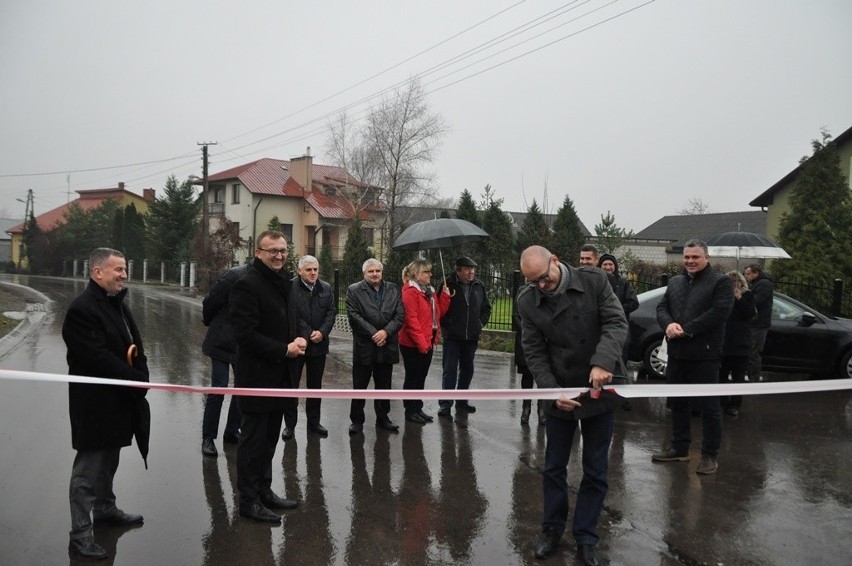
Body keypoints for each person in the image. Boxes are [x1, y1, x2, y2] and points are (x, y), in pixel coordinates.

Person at [517, 246, 628, 565]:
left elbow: (616, 323)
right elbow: (534, 352)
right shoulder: (527, 301)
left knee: (595, 467)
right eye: (532, 281)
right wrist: (552, 392)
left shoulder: (594, 281)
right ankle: (551, 529)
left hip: (599, 386)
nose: (541, 286)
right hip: (560, 389)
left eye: (544, 278)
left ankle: (586, 536)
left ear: (555, 261)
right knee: (553, 466)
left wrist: (603, 361)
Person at [63, 248, 150, 561]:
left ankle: (105, 510)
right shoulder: (82, 310)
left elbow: (133, 345)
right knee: (87, 472)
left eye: (124, 269)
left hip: (117, 402)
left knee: (109, 460)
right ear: (97, 272)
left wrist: (142, 373)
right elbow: (96, 358)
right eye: (117, 270)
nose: (123, 275)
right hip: (94, 405)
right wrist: (133, 379)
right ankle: (79, 536)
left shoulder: (117, 303)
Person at [230, 230, 307, 524]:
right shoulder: (246, 285)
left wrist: (298, 338)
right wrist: (284, 350)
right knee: (253, 442)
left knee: (271, 439)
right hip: (257, 378)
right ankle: (248, 501)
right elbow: (245, 335)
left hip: (281, 377)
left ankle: (264, 490)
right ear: (258, 252)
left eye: (283, 251)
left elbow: (288, 320)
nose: (279, 256)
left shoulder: (284, 282)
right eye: (272, 251)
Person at [652, 239, 734, 475]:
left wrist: (685, 330)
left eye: (695, 257)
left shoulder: (720, 282)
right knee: (678, 403)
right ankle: (680, 449)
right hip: (677, 354)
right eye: (687, 257)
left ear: (706, 258)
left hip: (705, 355)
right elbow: (661, 307)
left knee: (709, 408)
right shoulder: (676, 282)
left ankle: (709, 456)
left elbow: (719, 313)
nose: (690, 261)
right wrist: (668, 325)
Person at [346, 258, 405, 435]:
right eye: (371, 271)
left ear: (382, 272)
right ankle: (356, 420)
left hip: (387, 345)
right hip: (365, 345)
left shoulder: (394, 288)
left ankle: (383, 418)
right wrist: (374, 333)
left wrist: (385, 332)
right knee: (360, 385)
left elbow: (400, 315)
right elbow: (354, 316)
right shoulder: (354, 290)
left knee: (384, 385)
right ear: (364, 273)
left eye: (377, 271)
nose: (375, 274)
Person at [282, 255, 336, 440]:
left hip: (319, 345)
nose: (313, 273)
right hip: (298, 344)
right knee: (292, 385)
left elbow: (331, 312)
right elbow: (291, 314)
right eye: (308, 270)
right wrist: (308, 333)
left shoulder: (326, 288)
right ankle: (290, 425)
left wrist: (322, 332)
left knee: (315, 386)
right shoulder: (290, 288)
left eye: (315, 269)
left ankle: (314, 423)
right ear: (299, 271)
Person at [200, 263, 248, 457]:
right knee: (218, 388)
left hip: (244, 344)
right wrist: (214, 322)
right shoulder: (234, 275)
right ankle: (208, 438)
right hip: (221, 341)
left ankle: (231, 431)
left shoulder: (266, 279)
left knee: (241, 388)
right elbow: (210, 303)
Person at [437, 256, 491, 419]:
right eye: (467, 269)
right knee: (450, 370)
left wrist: (479, 323)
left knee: (468, 369)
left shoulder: (478, 285)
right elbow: (439, 308)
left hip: (471, 337)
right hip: (453, 336)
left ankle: (462, 401)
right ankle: (445, 405)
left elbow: (486, 308)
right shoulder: (447, 284)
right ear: (458, 270)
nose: (471, 272)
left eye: (473, 269)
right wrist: (448, 325)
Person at [399, 259, 451, 424]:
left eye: (430, 271)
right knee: (413, 377)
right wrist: (422, 344)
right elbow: (411, 321)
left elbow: (438, 314)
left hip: (427, 342)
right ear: (417, 275)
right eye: (427, 272)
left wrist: (445, 296)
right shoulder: (410, 292)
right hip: (412, 344)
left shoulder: (429, 291)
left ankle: (418, 407)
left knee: (421, 377)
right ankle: (410, 410)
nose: (430, 274)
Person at [719, 271, 755, 417]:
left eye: (736, 282)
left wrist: (739, 298)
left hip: (740, 343)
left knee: (738, 377)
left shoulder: (748, 295)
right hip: (724, 342)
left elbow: (750, 314)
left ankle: (734, 405)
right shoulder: (723, 296)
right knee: (721, 376)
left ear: (741, 284)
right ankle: (722, 402)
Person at [512, 307, 545, 426]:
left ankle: (542, 409)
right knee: (527, 375)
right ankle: (526, 408)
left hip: (543, 340)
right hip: (525, 341)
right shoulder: (523, 292)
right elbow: (516, 316)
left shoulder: (547, 292)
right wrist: (528, 331)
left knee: (543, 376)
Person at [744, 263, 774, 382]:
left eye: (748, 274)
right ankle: (751, 377)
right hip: (755, 323)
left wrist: (744, 296)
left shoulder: (764, 284)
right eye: (745, 274)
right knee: (751, 352)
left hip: (758, 324)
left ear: (756, 273)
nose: (746, 276)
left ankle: (754, 380)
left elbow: (756, 302)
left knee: (753, 353)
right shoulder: (757, 284)